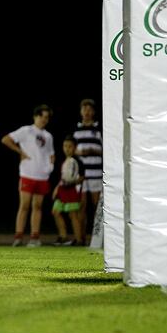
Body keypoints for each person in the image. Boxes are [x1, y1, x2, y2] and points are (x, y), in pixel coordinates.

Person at [1, 104, 55, 247]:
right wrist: (20, 152)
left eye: (47, 117)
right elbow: (6, 139)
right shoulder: (27, 130)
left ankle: (35, 238)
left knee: (38, 206)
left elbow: (51, 154)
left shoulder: (48, 136)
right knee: (24, 205)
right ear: (35, 116)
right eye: (42, 116)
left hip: (42, 175)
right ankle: (18, 237)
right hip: (28, 173)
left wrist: (51, 166)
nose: (44, 120)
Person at [72, 98, 103, 246]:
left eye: (90, 109)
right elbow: (72, 150)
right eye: (84, 109)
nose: (87, 112)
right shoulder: (77, 130)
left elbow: (105, 149)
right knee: (81, 206)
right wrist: (79, 152)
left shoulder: (99, 129)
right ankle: (80, 238)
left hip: (96, 174)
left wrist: (93, 150)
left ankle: (99, 239)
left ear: (94, 112)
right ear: (80, 112)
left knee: (97, 206)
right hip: (82, 176)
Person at [50, 135, 84, 246]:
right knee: (56, 211)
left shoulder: (78, 161)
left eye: (70, 146)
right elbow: (63, 177)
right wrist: (56, 188)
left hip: (72, 191)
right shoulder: (64, 161)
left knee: (73, 215)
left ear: (75, 147)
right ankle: (63, 236)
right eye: (65, 146)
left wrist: (74, 182)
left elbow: (82, 177)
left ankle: (79, 240)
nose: (67, 148)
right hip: (62, 190)